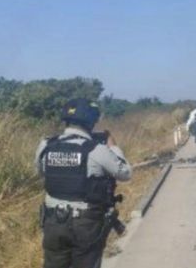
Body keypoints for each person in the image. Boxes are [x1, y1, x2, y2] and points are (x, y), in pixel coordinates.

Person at [34, 98, 131, 268]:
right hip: (85, 224)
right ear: (91, 122)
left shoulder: (46, 145)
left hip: (53, 222)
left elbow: (42, 172)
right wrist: (113, 146)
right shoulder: (96, 149)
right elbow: (125, 173)